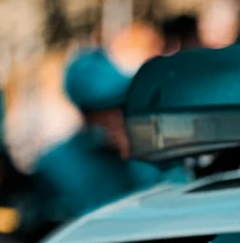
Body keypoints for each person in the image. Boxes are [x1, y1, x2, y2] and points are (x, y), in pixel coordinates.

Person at [27, 49, 160, 228]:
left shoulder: (152, 154)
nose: (116, 119)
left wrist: (135, 155)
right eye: (103, 112)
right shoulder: (55, 166)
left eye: (121, 106)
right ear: (86, 116)